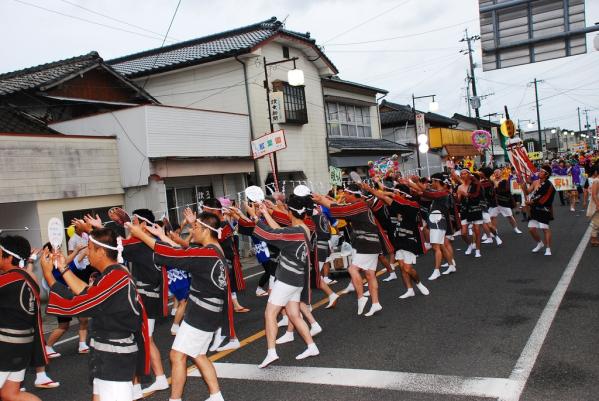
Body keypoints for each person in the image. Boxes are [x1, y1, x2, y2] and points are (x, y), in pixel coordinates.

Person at [126, 211, 229, 401]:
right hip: (209, 311)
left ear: (206, 230)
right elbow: (184, 253)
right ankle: (216, 396)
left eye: (195, 227)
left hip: (201, 313)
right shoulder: (214, 249)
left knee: (176, 355)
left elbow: (172, 255)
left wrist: (141, 235)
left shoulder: (205, 254)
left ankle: (175, 399)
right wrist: (163, 236)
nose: (191, 230)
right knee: (198, 354)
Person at [41, 227, 150, 401]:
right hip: (106, 354)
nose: (87, 252)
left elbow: (79, 303)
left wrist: (50, 277)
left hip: (116, 357)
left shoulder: (116, 278)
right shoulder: (111, 275)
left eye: (90, 248)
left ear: (101, 252)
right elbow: (86, 292)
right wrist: (63, 268)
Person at [238, 195, 319, 368]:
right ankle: (312, 346)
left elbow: (270, 235)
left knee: (269, 314)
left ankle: (271, 352)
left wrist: (254, 216)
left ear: (290, 211)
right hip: (297, 278)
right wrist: (266, 213)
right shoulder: (302, 228)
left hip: (287, 279)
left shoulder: (293, 231)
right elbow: (279, 233)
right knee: (294, 315)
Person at [314, 183, 383, 317]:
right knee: (369, 274)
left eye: (346, 193)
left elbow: (340, 210)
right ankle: (375, 303)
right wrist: (323, 198)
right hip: (368, 243)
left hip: (368, 243)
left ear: (352, 194)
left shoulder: (359, 205)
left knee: (352, 269)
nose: (343, 196)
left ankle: (361, 297)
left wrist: (322, 200)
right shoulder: (358, 205)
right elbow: (341, 207)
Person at [0, 235, 47, 401]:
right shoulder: (28, 277)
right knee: (10, 394)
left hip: (5, 345)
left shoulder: (6, 280)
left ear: (9, 257)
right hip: (23, 344)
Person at [522, 165, 556, 256]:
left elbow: (545, 198)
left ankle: (548, 248)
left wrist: (531, 202)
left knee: (545, 228)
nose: (539, 173)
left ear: (546, 174)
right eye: (539, 171)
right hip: (534, 209)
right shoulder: (535, 182)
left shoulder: (549, 185)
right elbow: (527, 192)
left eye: (541, 171)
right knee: (531, 229)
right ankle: (540, 243)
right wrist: (523, 186)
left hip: (543, 209)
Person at [490, 169, 522, 234]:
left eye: (498, 172)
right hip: (495, 203)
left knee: (510, 216)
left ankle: (516, 228)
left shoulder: (504, 181)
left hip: (503, 202)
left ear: (501, 173)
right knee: (493, 217)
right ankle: (495, 230)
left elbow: (502, 190)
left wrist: (494, 182)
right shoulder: (492, 182)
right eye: (495, 172)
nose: (496, 174)